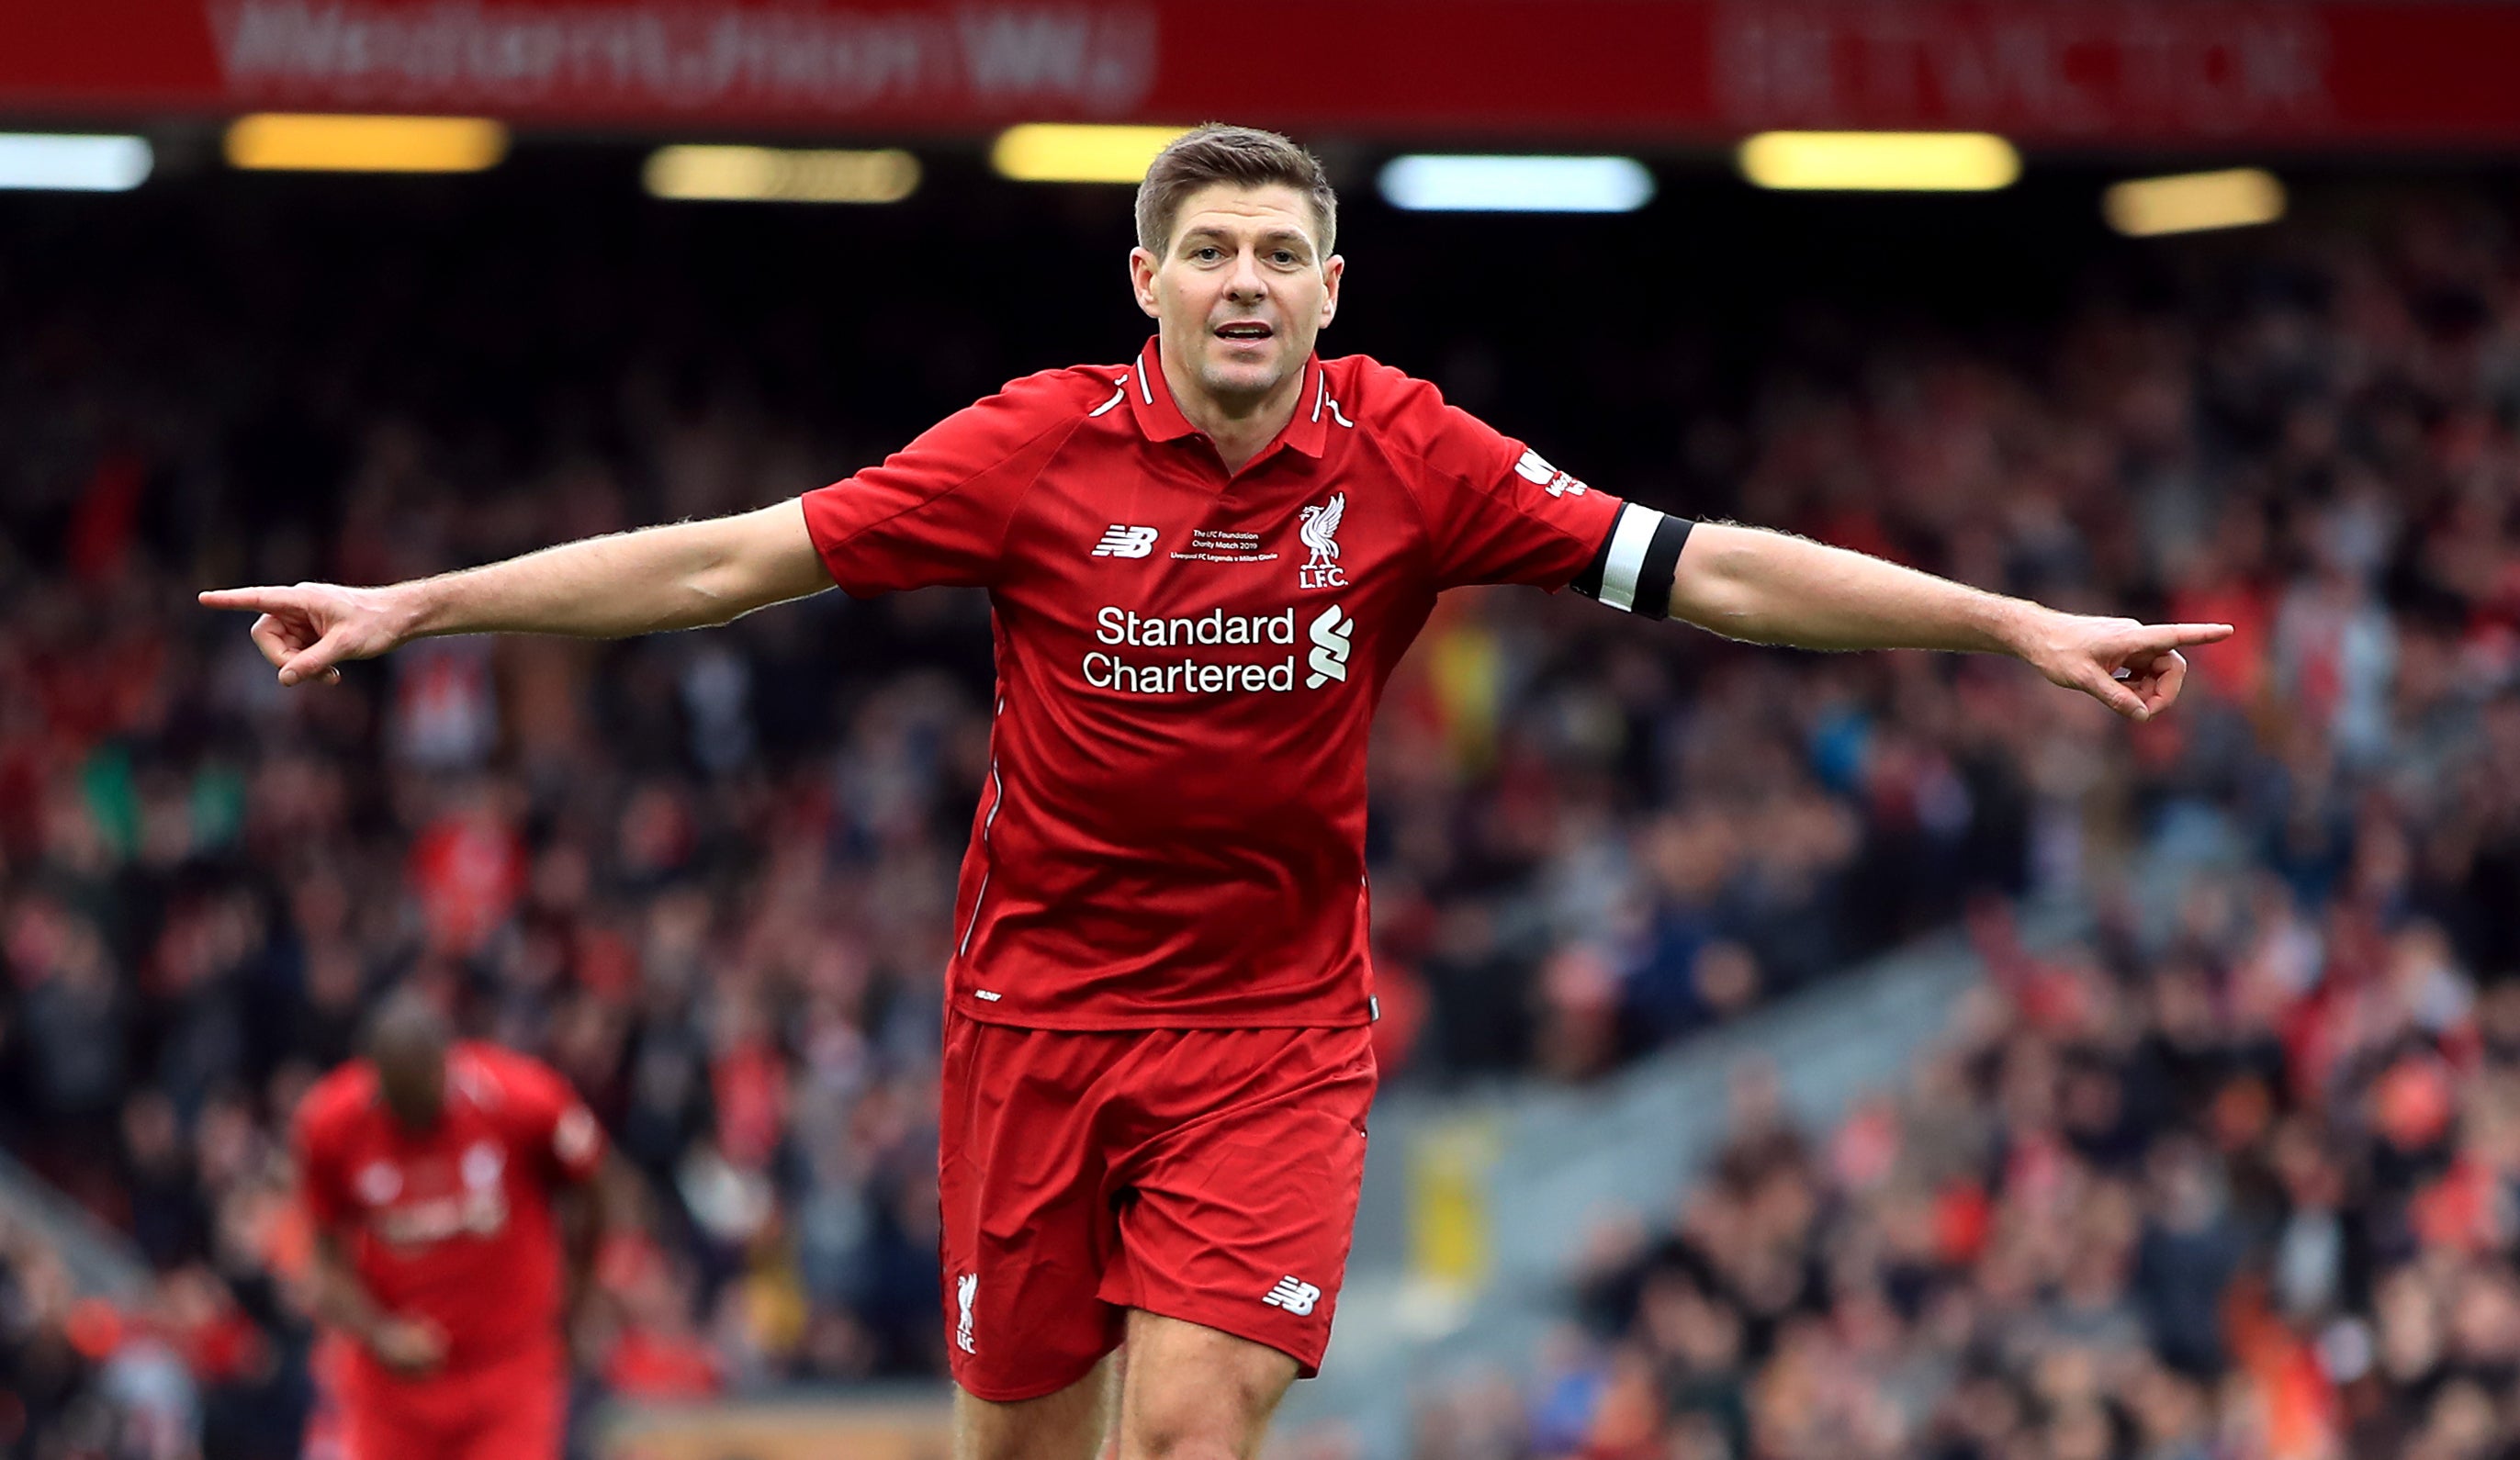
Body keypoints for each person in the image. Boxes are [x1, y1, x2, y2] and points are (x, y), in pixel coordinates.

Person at [206, 124, 2227, 1460]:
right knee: (1020, 1439)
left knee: (1187, 1427)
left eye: (1282, 251)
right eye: (1211, 253)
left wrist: (2007, 625)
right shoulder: (1028, 452)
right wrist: (421, 606)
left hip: (1271, 1032)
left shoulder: (1413, 455)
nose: (1248, 281)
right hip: (1031, 1019)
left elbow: (1703, 565)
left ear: (1333, 288)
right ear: (1147, 283)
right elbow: (729, 559)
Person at [292, 989, 635, 1460]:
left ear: (446, 1067)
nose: (413, 1118)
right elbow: (325, 1261)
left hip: (507, 1368)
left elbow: (596, 1183)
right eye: (399, 1103)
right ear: (374, 1081)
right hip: (392, 1389)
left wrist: (580, 1291)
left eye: (423, 1100)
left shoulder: (523, 1102)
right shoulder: (330, 1125)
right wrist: (378, 1333)